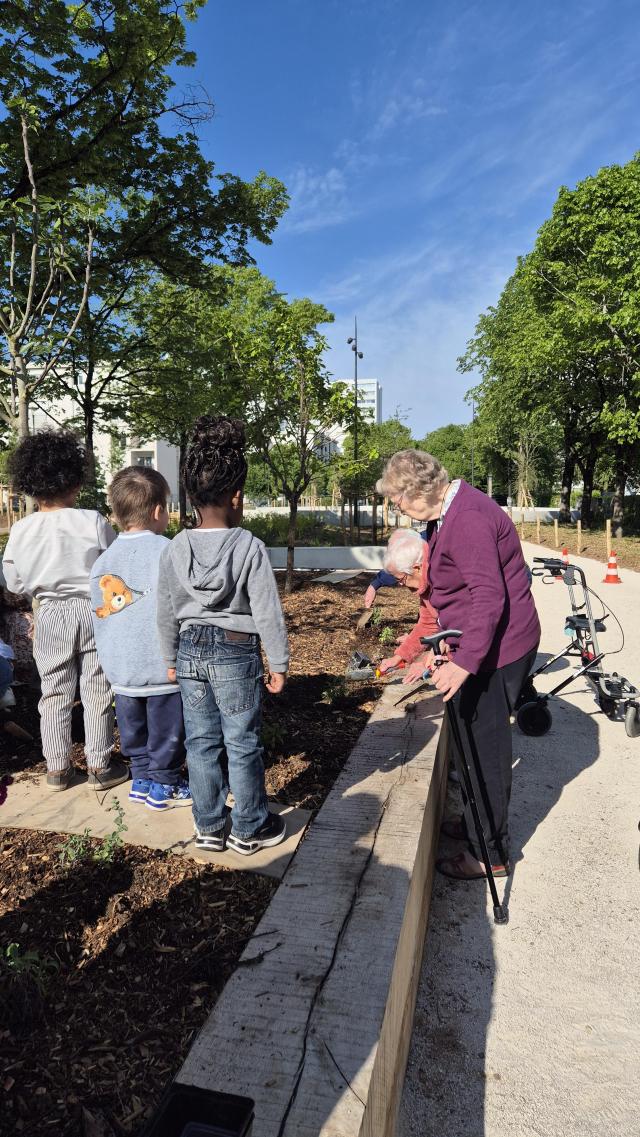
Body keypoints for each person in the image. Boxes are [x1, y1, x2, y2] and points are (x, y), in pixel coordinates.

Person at [377, 450, 540, 881]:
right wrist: (442, 648)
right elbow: (452, 597)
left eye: (397, 498)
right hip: (480, 645)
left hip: (498, 652)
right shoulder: (446, 516)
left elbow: (489, 597)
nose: (397, 507)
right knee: (468, 740)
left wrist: (463, 662)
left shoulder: (466, 519)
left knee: (485, 753)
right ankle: (474, 824)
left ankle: (489, 854)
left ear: (417, 489)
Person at [156, 415, 289, 856]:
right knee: (242, 742)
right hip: (235, 649)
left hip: (189, 650)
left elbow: (165, 608)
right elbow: (267, 611)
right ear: (237, 496)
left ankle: (209, 826)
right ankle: (249, 828)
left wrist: (169, 657)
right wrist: (279, 662)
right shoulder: (249, 546)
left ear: (192, 498)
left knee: (200, 742)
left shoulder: (175, 547)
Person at [2, 430, 127, 791]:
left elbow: (14, 582)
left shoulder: (22, 529)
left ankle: (57, 768)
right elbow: (113, 567)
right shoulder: (92, 520)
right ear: (74, 481)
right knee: (97, 688)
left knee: (54, 692)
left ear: (30, 483)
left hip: (51, 612)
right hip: (92, 609)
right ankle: (100, 764)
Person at [91, 467, 190, 811]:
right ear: (159, 511)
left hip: (121, 669)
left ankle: (142, 779)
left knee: (133, 728)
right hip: (162, 667)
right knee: (167, 729)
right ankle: (165, 786)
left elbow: (101, 615)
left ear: (116, 514)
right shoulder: (170, 551)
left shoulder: (102, 562)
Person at [376, 529, 440, 678]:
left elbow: (462, 632)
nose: (400, 585)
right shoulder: (424, 585)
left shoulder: (443, 582)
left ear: (417, 568)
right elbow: (427, 624)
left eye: (401, 579)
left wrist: (427, 661)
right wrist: (399, 657)